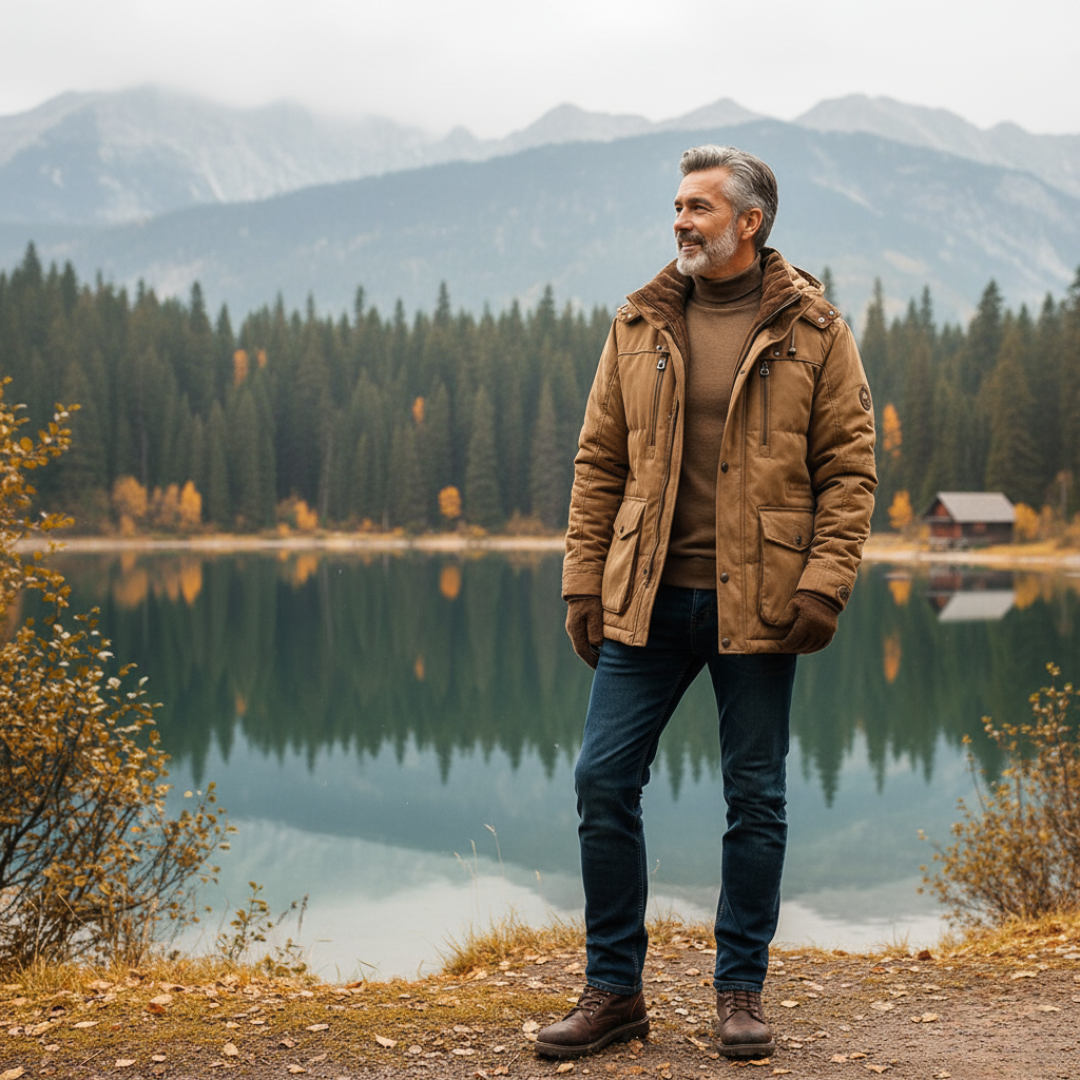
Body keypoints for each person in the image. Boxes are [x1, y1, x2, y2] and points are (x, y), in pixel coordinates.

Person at [535, 145, 877, 1062]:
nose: (680, 220)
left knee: (754, 799)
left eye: (698, 207)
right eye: (677, 206)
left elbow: (849, 469)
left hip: (760, 602)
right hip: (644, 597)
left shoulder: (815, 328)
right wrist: (581, 581)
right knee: (603, 783)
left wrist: (824, 581)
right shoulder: (641, 320)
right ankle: (613, 993)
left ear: (750, 223)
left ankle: (741, 993)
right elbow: (599, 462)